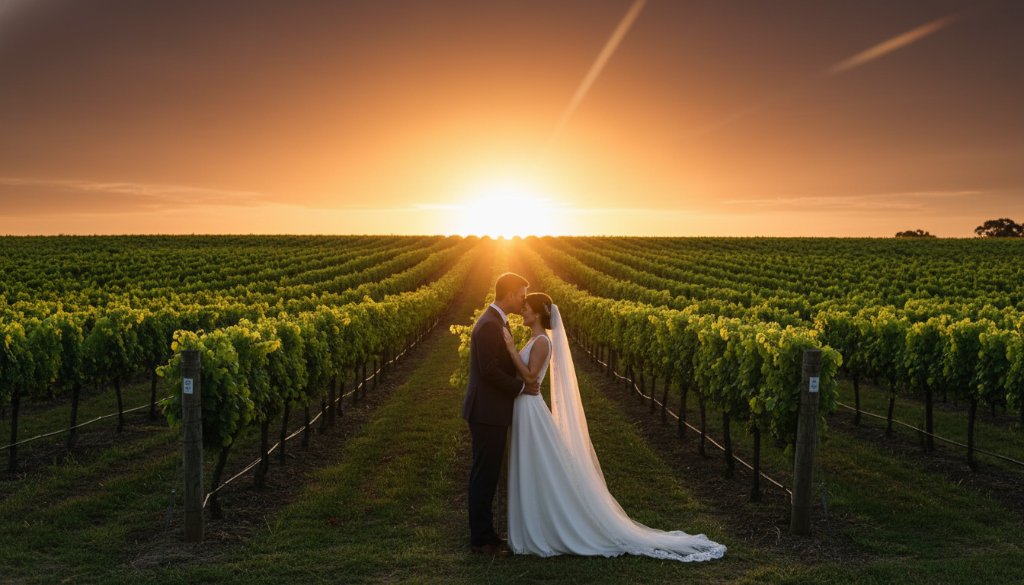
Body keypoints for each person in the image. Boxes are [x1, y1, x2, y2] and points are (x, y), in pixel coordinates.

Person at [500, 292, 727, 562]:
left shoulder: (541, 342)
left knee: (536, 464)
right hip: (525, 407)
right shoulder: (534, 339)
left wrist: (511, 350)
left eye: (526, 308)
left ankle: (544, 528)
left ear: (538, 313)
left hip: (530, 408)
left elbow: (530, 378)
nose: (522, 311)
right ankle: (532, 525)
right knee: (531, 465)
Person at [461, 272, 540, 556]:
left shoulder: (497, 321)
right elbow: (488, 370)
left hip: (491, 410)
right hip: (486, 411)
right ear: (508, 295)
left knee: (488, 473)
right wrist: (521, 387)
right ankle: (481, 541)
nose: (523, 301)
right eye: (521, 295)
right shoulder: (489, 325)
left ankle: (487, 535)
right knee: (484, 475)